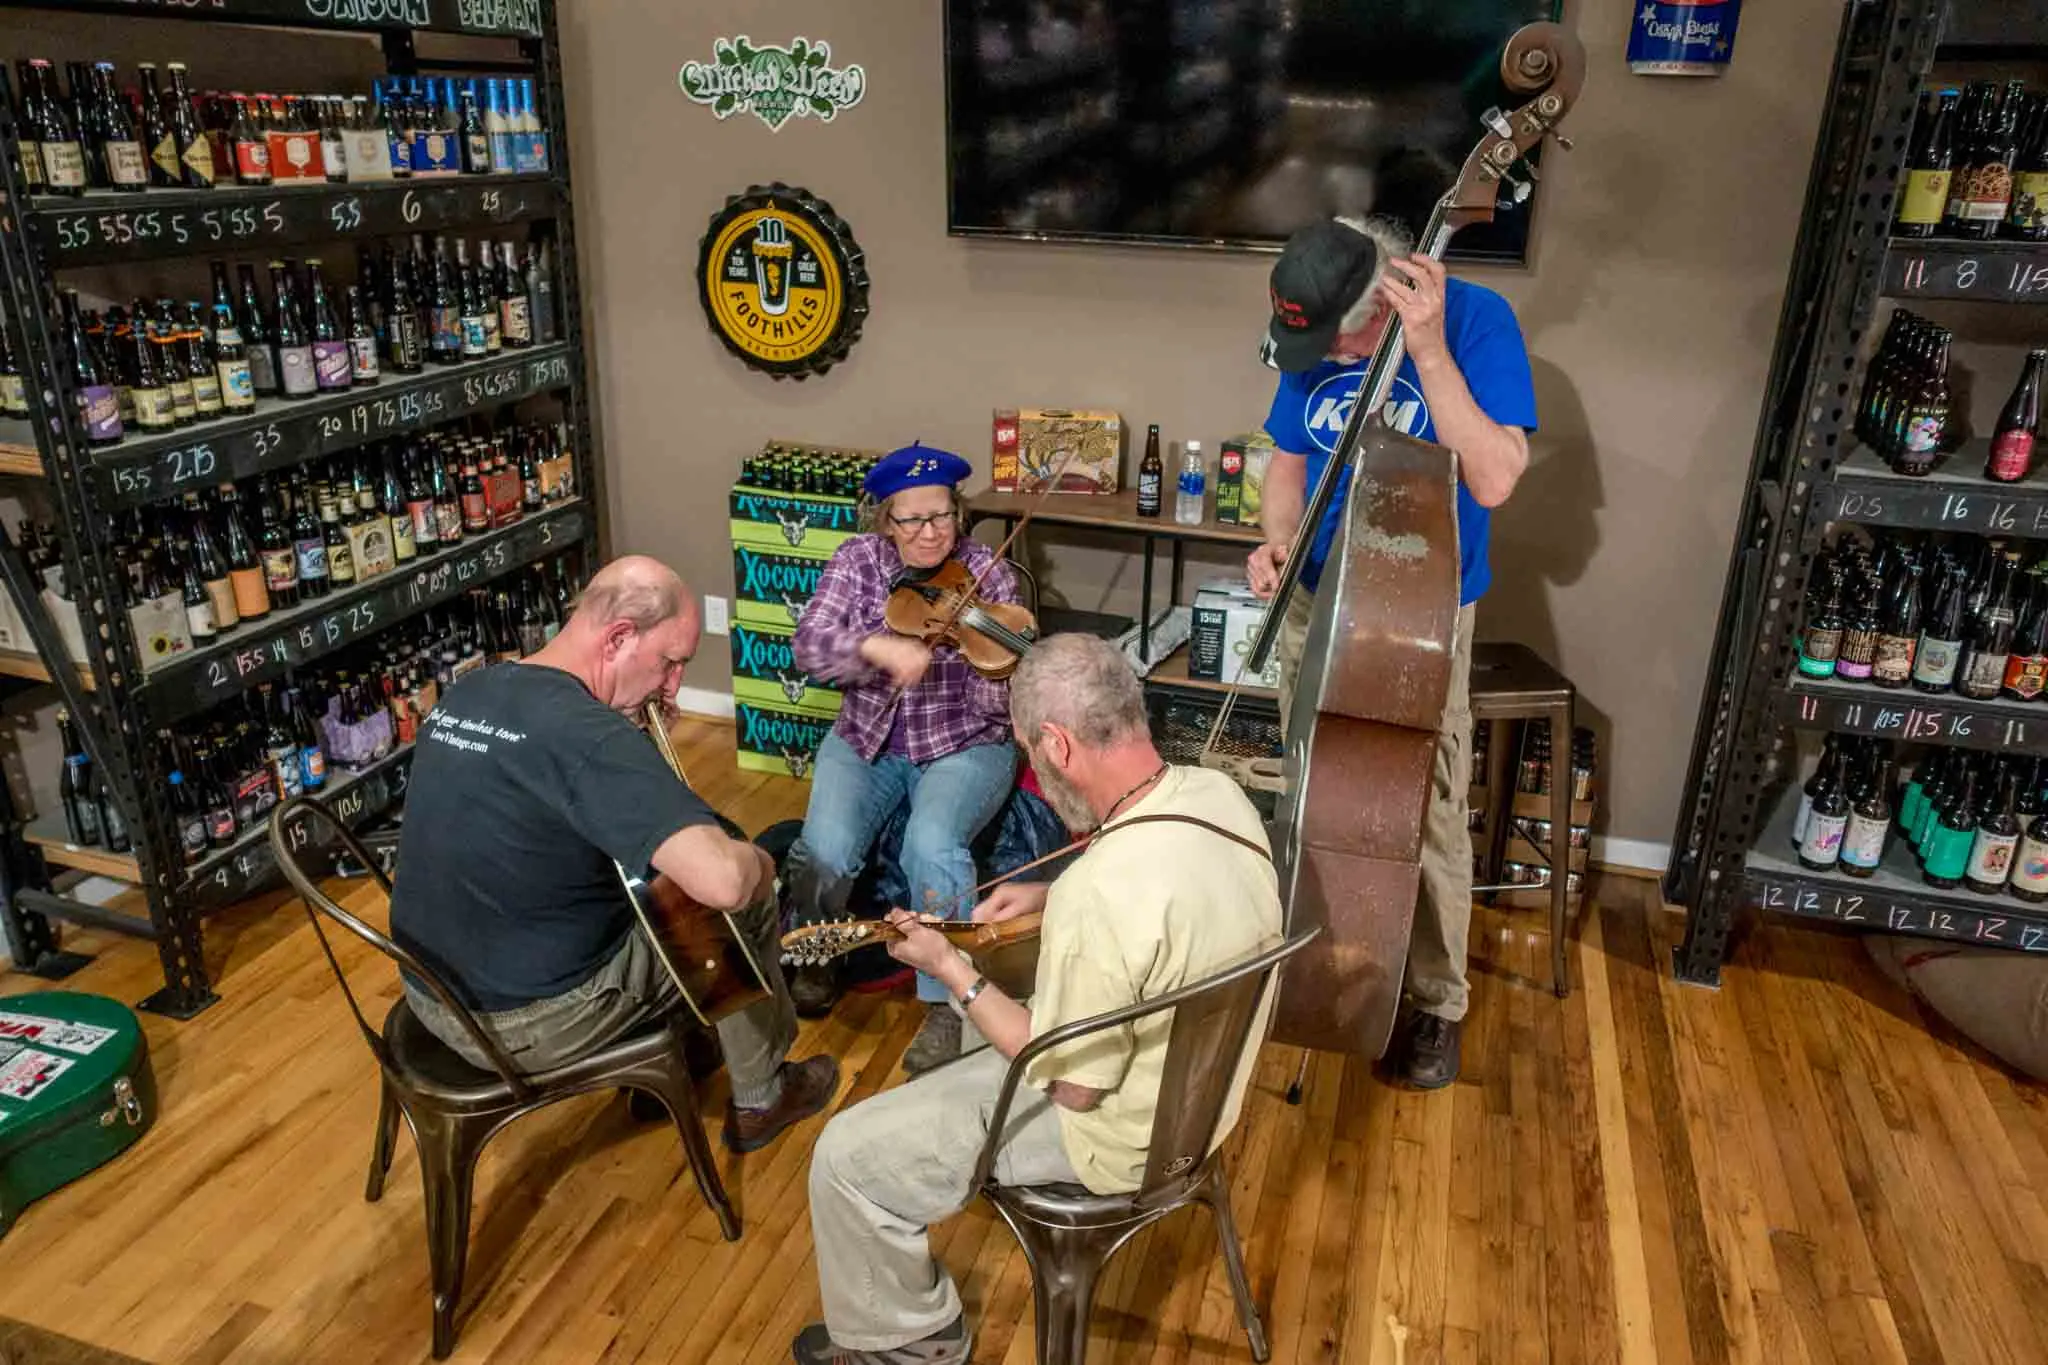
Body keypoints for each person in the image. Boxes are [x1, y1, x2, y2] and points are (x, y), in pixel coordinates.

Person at [791, 634, 1282, 1365]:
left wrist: (951, 969)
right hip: (1209, 1096)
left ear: (1057, 742)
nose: (1031, 765)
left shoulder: (1102, 892)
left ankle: (911, 1342)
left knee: (842, 1156)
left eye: (1027, 750)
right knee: (977, 1029)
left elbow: (1073, 1088)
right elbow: (1159, 905)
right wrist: (1051, 896)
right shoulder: (1219, 794)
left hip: (1121, 1138)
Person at [389, 555, 837, 1153]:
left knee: (655, 888)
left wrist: (631, 745)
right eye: (670, 663)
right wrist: (762, 867)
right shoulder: (586, 737)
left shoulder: (481, 685)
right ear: (619, 637)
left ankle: (680, 1050)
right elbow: (723, 882)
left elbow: (559, 796)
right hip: (525, 1025)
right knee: (726, 903)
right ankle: (763, 1094)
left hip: (432, 991)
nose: (673, 685)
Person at [1249, 215, 1537, 1090]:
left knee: (1426, 805)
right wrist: (1277, 544)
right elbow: (1287, 462)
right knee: (1314, 790)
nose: (1325, 360)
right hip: (1318, 599)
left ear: (1387, 301)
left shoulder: (1477, 322)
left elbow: (1494, 475)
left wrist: (1429, 351)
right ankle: (1321, 962)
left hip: (1419, 607)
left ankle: (1435, 1001)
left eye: (1339, 343)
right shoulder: (1310, 340)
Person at [787, 442, 1021, 1075]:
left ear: (959, 514)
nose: (929, 534)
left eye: (941, 516)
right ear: (885, 521)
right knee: (826, 849)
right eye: (911, 520)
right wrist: (878, 649)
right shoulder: (856, 562)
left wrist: (989, 663)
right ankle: (813, 951)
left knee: (932, 843)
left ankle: (949, 999)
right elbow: (809, 646)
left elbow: (998, 715)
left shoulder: (988, 574)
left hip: (964, 744)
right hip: (867, 739)